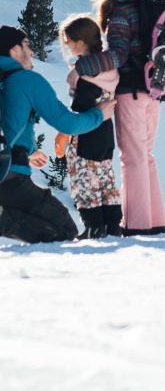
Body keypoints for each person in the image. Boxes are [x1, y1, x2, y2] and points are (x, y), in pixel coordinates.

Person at [73, 0, 165, 236]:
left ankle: (137, 225)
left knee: (133, 158)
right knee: (146, 156)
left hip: (131, 91)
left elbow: (118, 54)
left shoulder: (122, 12)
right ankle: (155, 221)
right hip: (154, 90)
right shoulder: (148, 4)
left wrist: (83, 66)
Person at [0, 25, 116, 244]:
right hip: (9, 178)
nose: (31, 52)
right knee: (64, 229)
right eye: (26, 45)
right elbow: (67, 123)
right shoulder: (27, 80)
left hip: (7, 169)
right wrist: (99, 115)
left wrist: (29, 151)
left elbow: (9, 121)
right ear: (14, 50)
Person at [56, 15, 122, 239]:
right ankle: (113, 225)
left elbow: (81, 107)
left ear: (81, 42)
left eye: (69, 40)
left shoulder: (85, 77)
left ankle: (94, 227)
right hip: (105, 133)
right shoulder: (108, 71)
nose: (67, 45)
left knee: (83, 181)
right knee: (105, 179)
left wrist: (66, 130)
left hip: (86, 133)